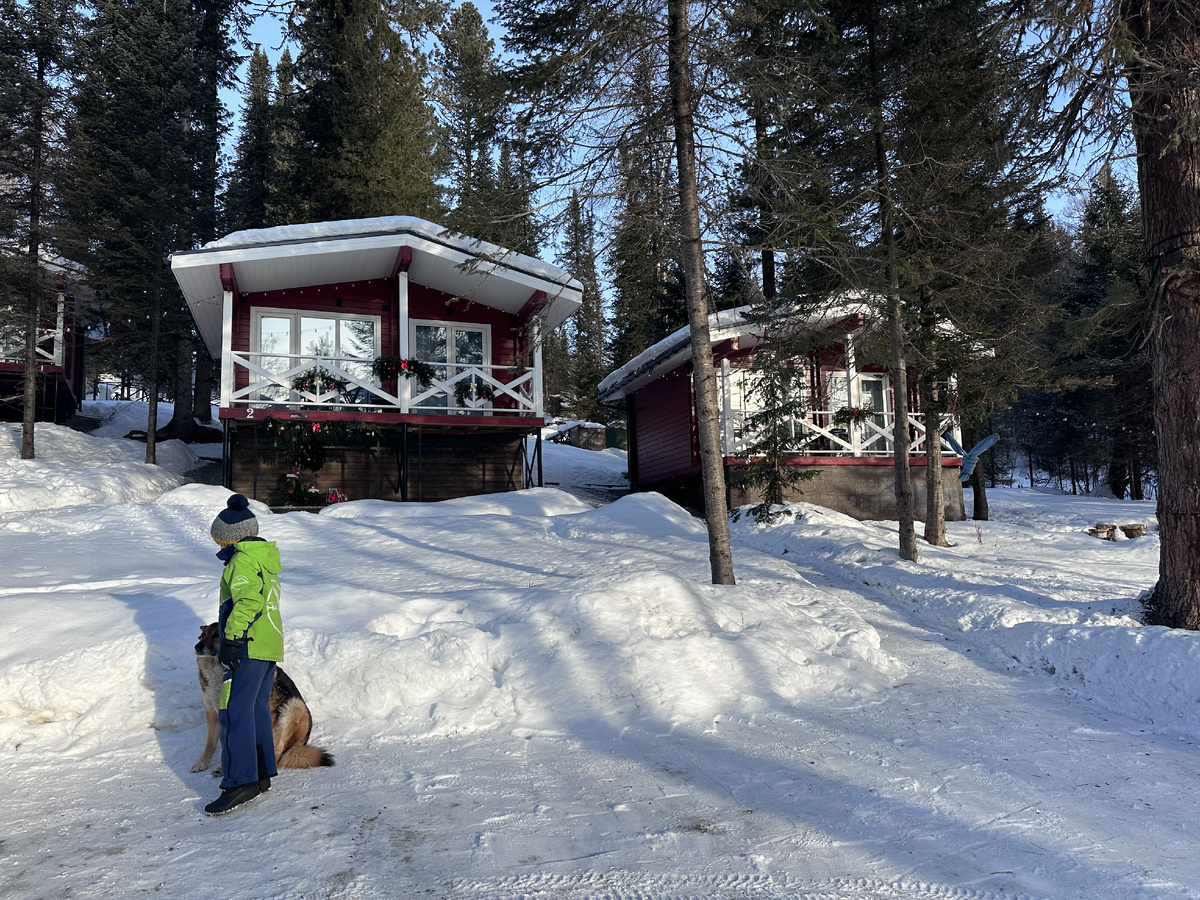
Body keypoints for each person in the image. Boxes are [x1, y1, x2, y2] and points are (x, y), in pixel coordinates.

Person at [204, 493, 284, 816]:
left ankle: (240, 781)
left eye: (220, 540)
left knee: (233, 711)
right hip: (267, 647)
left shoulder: (242, 561)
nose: (219, 546)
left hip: (247, 645)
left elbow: (248, 603)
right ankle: (261, 773)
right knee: (254, 710)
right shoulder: (263, 558)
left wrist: (232, 639)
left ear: (232, 539)